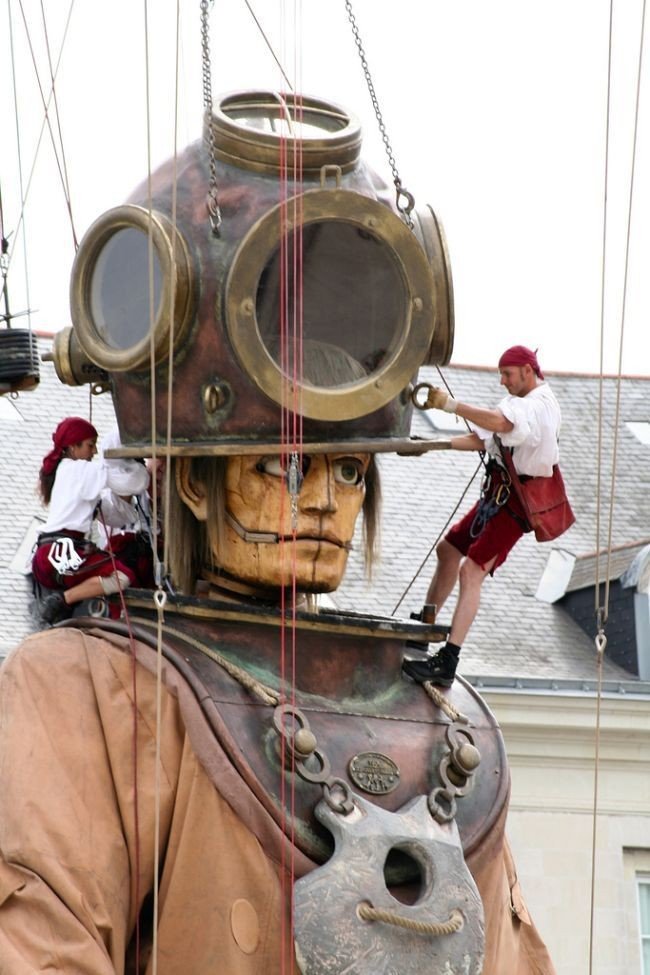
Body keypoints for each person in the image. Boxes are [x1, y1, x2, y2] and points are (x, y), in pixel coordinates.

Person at [403, 345, 561, 688]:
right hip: (500, 493)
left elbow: (503, 423)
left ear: (527, 371)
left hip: (517, 504)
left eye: (507, 374)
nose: (503, 381)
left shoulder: (536, 405)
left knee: (471, 571)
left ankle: (448, 659)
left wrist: (450, 405)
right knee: (449, 549)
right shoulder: (525, 404)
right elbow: (483, 439)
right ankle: (426, 625)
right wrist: (430, 444)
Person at [31, 416, 150, 624]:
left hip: (47, 554)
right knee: (121, 576)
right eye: (90, 445)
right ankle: (62, 600)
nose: (94, 452)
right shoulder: (78, 469)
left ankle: (61, 607)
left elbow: (120, 516)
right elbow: (132, 482)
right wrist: (134, 465)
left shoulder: (69, 474)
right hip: (63, 552)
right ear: (73, 447)